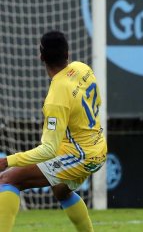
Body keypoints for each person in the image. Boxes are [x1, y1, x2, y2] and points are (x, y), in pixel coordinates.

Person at [0, 30, 107, 232]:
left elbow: (48, 150)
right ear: (67, 53)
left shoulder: (56, 97)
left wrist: (7, 161)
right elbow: (98, 102)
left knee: (7, 178)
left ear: (40, 56)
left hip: (81, 155)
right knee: (61, 191)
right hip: (97, 147)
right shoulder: (82, 68)